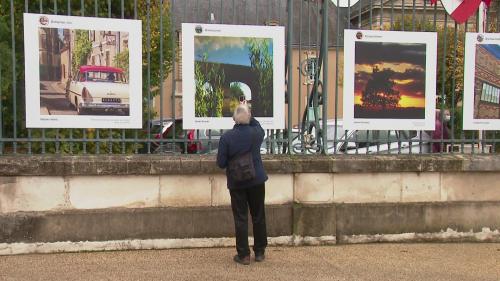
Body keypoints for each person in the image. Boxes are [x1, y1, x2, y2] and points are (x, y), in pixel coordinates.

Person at [216, 103, 268, 265]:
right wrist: (249, 113)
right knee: (258, 215)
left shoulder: (226, 138)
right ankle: (259, 252)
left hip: (237, 182)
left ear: (234, 119)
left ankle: (244, 255)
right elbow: (258, 125)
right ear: (249, 117)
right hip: (257, 180)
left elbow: (221, 163)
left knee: (241, 218)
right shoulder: (256, 133)